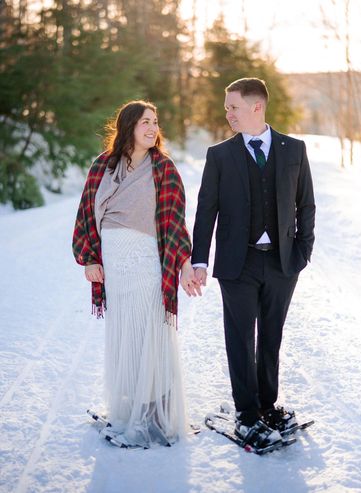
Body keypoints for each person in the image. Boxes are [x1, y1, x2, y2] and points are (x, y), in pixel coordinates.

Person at [192, 78, 315, 450]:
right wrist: (199, 259)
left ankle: (267, 403)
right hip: (237, 263)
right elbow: (205, 211)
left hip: (282, 263)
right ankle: (246, 412)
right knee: (241, 339)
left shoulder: (293, 149)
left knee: (271, 337)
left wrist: (302, 251)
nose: (227, 113)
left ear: (256, 106)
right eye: (227, 107)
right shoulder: (220, 155)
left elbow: (305, 203)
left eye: (233, 107)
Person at [72, 100, 200, 448]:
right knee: (124, 334)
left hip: (146, 262)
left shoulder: (164, 168)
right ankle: (128, 410)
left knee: (149, 334)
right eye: (145, 121)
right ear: (128, 125)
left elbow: (175, 221)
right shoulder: (103, 165)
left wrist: (184, 264)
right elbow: (86, 212)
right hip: (113, 264)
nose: (152, 128)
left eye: (155, 122)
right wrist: (88, 259)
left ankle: (154, 415)